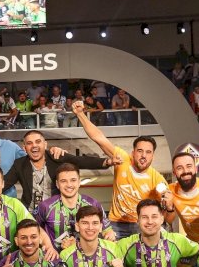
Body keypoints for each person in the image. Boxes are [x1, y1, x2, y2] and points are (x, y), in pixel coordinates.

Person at [71, 100, 166, 239]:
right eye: (140, 151)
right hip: (114, 224)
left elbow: (164, 209)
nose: (143, 155)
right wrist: (80, 114)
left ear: (153, 156)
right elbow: (99, 138)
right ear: (133, 153)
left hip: (138, 224)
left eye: (148, 152)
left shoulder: (157, 179)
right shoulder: (123, 159)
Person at [5, 130, 107, 213]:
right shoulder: (19, 164)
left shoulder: (56, 156)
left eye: (38, 142)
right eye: (29, 143)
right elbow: (4, 183)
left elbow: (80, 161)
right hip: (31, 215)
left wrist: (106, 162)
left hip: (57, 214)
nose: (34, 146)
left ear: (45, 145)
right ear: (25, 148)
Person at [36, 163, 114, 251]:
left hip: (85, 260)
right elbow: (33, 229)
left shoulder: (93, 204)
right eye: (63, 181)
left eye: (73, 180)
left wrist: (109, 235)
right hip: (55, 260)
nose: (69, 185)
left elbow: (107, 231)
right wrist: (47, 246)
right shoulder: (45, 206)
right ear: (57, 184)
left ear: (79, 182)